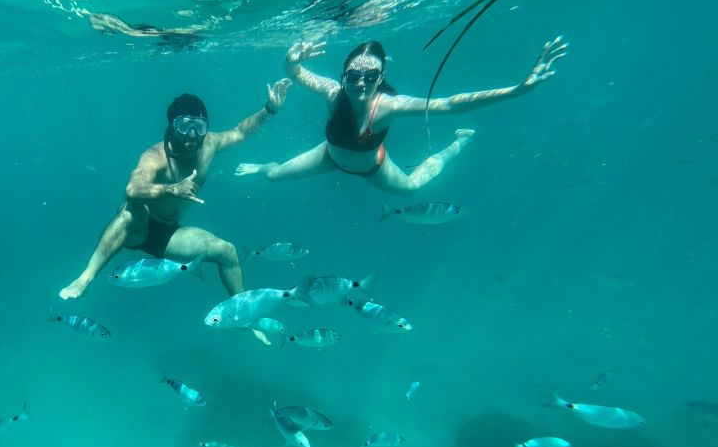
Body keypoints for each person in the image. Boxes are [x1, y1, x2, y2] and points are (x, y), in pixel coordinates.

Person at [59, 80, 292, 309]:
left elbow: (240, 132)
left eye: (199, 127)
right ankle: (85, 278)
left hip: (168, 233)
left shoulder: (209, 144)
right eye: (185, 126)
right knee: (131, 212)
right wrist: (172, 189)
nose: (192, 134)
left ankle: (242, 311)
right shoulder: (155, 156)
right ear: (172, 125)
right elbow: (132, 190)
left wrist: (269, 110)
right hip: (136, 228)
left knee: (227, 251)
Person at [235, 37, 567, 193]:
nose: (360, 83)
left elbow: (449, 104)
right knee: (273, 175)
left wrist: (517, 90)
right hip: (328, 156)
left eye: (371, 77)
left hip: (373, 166)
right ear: (342, 76)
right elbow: (295, 73)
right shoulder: (333, 93)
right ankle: (260, 166)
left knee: (409, 189)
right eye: (353, 76)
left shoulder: (390, 106)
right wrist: (293, 57)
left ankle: (455, 147)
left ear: (381, 77)